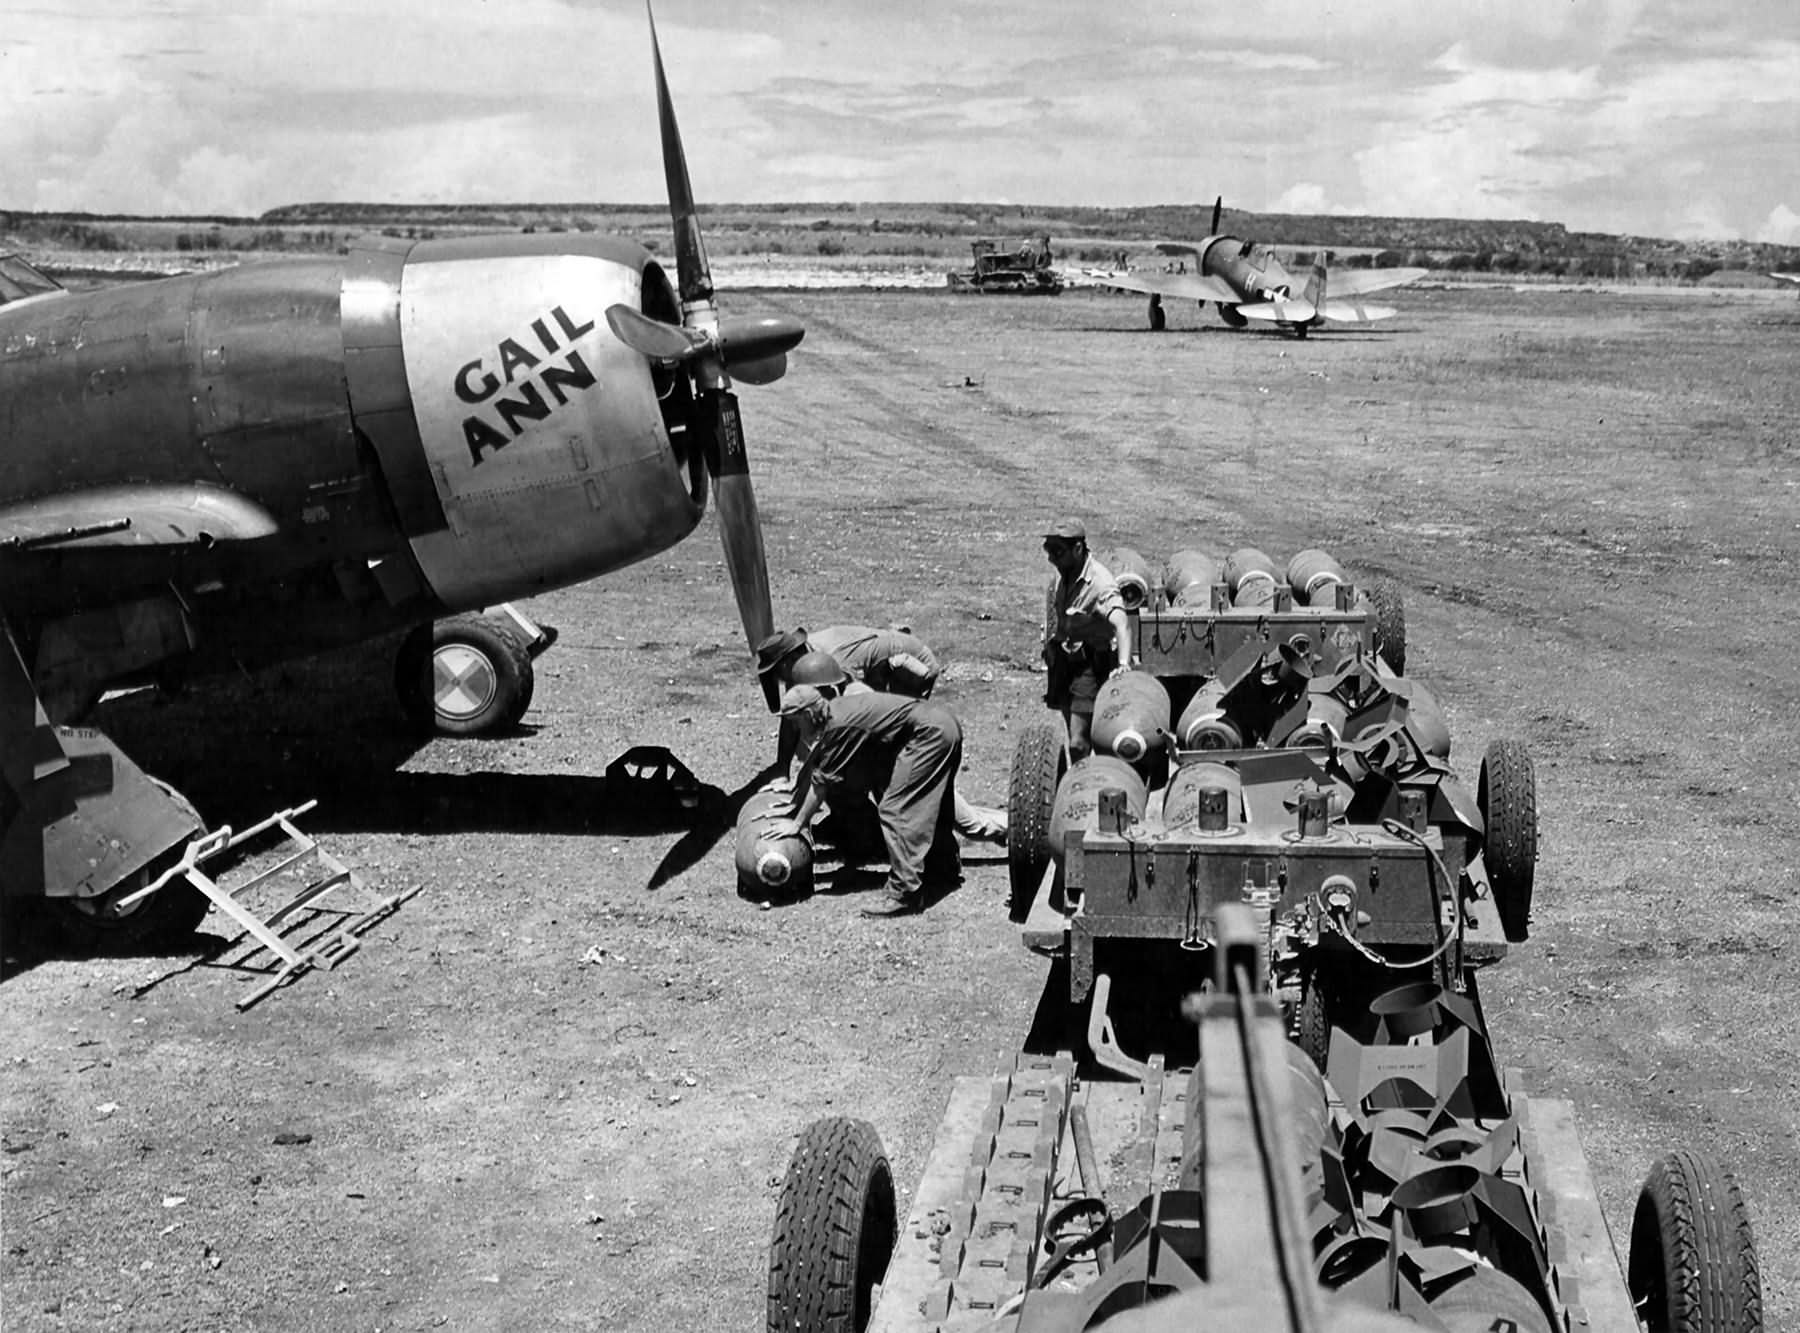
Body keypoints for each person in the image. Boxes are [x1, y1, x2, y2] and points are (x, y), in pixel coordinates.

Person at [756, 626, 1006, 843]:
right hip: (890, 698)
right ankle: (858, 826)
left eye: (776, 674)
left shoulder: (836, 674)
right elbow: (810, 741)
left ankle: (1006, 827)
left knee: (922, 792)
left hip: (912, 669)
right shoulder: (813, 671)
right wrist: (787, 779)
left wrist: (797, 821)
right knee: (869, 769)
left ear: (787, 663)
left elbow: (827, 763)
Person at [770, 683, 964, 918]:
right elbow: (817, 765)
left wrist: (797, 824)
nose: (794, 727)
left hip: (930, 735)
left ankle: (905, 894)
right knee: (932, 804)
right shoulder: (835, 714)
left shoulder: (839, 726)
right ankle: (944, 870)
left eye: (794, 720)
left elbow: (821, 784)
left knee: (896, 810)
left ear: (809, 714)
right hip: (942, 724)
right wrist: (793, 799)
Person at [1041, 518, 1132, 762]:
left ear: (1078, 548)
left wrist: (1123, 664)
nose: (1051, 558)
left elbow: (1122, 624)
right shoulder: (1064, 573)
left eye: (1057, 551)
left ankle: (1085, 780)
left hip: (1089, 667)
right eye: (1048, 550)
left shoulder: (1100, 583)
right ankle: (1080, 773)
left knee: (1078, 742)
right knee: (1073, 733)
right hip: (1065, 660)